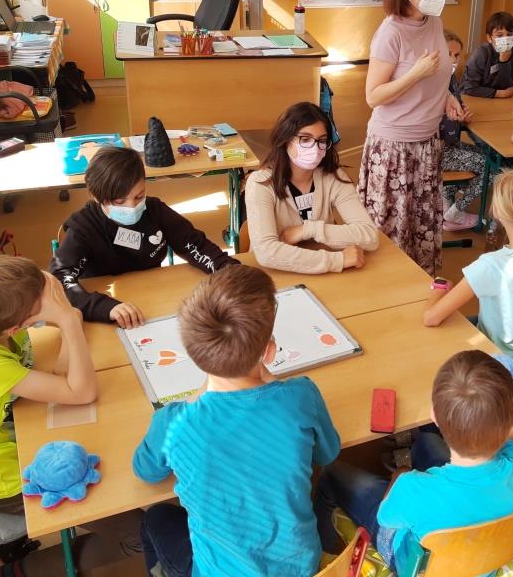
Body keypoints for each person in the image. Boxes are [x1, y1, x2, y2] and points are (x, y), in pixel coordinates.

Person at [0, 254, 141, 576]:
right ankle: (21, 571)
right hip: (13, 479)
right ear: (15, 327)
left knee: (119, 444)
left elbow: (50, 287)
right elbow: (82, 392)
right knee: (140, 532)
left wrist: (64, 312)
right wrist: (68, 321)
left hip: (26, 435)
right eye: (37, 313)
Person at [132, 264, 341, 577]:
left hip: (217, 571)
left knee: (156, 517)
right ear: (269, 352)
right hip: (300, 568)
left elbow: (145, 471)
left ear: (194, 354)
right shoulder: (301, 396)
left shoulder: (173, 423)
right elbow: (327, 453)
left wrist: (195, 397)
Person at [315, 350, 513, 577]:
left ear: (434, 416)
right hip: (486, 558)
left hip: (413, 564)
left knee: (331, 473)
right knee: (427, 444)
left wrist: (399, 478)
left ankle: (325, 555)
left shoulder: (410, 488)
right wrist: (505, 436)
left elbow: (385, 517)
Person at [358, 0, 470, 274]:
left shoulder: (434, 22)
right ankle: (389, 289)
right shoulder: (390, 33)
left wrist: (447, 97)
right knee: (392, 229)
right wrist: (414, 75)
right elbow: (373, 96)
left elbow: (438, 72)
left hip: (427, 143)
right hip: (393, 148)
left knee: (421, 226)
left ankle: (420, 287)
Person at [50, 146, 237, 327]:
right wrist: (103, 307)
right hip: (110, 308)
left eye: (139, 196)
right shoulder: (84, 227)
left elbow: (194, 244)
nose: (132, 207)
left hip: (152, 299)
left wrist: (228, 269)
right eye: (119, 201)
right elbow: (58, 279)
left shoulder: (154, 210)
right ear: (97, 197)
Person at [423, 169, 513, 380]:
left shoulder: (490, 265)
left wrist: (439, 289)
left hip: (491, 366)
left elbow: (431, 318)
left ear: (496, 212)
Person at [245, 102, 379, 273]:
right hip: (276, 275)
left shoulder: (333, 177)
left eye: (321, 140)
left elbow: (369, 236)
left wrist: (308, 230)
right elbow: (266, 252)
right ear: (286, 140)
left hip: (321, 273)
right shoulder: (261, 183)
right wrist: (338, 260)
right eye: (305, 139)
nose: (315, 148)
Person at [440, 29, 487, 231]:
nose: (453, 59)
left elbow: (456, 108)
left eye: (457, 55)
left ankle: (447, 201)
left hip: (450, 146)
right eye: (448, 54)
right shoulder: (431, 84)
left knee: (489, 156)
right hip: (439, 152)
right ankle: (455, 212)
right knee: (492, 168)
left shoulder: (450, 79)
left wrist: (463, 117)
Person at [458, 11, 513, 99]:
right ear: (489, 38)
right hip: (471, 98)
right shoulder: (481, 53)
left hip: (498, 100)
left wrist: (504, 62)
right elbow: (470, 88)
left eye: (509, 34)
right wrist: (501, 93)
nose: (505, 38)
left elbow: (507, 86)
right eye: (500, 35)